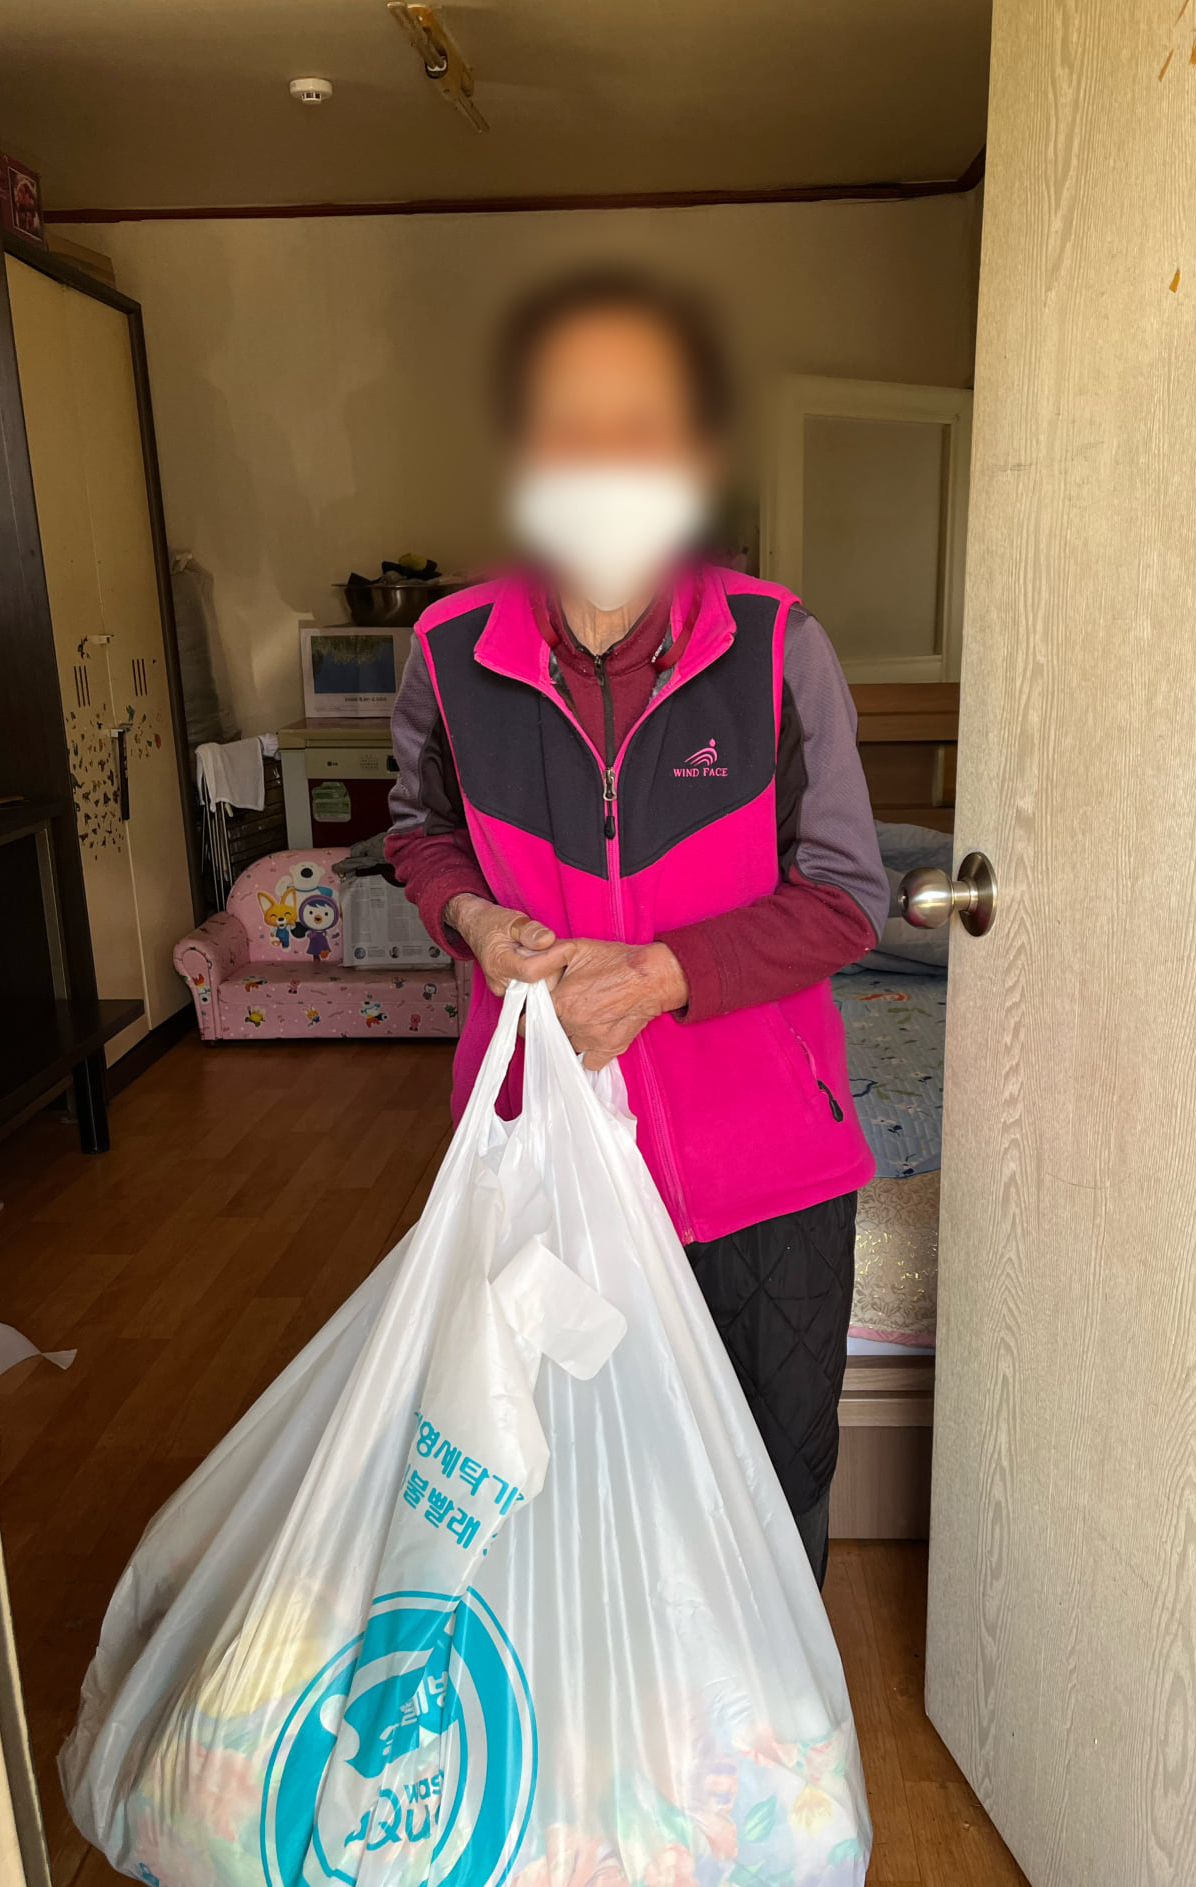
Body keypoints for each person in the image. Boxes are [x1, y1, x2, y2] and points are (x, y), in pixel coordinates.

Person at [385, 267, 887, 1584]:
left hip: (764, 1170)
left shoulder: (778, 647)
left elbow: (850, 895)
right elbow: (418, 833)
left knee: (769, 1492)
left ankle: (765, 1723)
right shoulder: (446, 654)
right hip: (541, 1155)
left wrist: (666, 974)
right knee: (555, 1499)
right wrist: (474, 919)